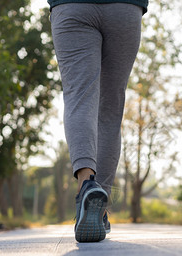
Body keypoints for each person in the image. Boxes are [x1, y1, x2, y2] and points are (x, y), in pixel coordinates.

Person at [47, 0, 148, 242]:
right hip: (125, 9)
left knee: (80, 98)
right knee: (110, 110)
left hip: (71, 6)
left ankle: (86, 186)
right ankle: (99, 210)